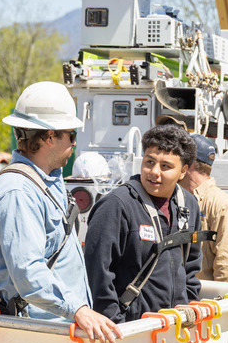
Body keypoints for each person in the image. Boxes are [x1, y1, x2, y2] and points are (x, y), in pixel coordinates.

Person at [0, 81, 121, 343]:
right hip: (37, 334)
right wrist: (78, 310)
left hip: (57, 329)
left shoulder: (45, 182)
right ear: (48, 137)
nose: (74, 143)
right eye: (71, 135)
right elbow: (28, 272)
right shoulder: (18, 191)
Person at [84, 124, 207, 323]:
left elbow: (191, 265)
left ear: (183, 171)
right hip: (131, 329)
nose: (154, 172)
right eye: (149, 162)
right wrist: (115, 322)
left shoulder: (188, 205)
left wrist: (188, 307)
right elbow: (97, 272)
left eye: (166, 166)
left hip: (175, 327)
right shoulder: (117, 205)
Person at [179, 133, 228, 283]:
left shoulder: (223, 206)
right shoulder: (177, 199)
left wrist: (217, 303)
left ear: (189, 166)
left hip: (203, 301)